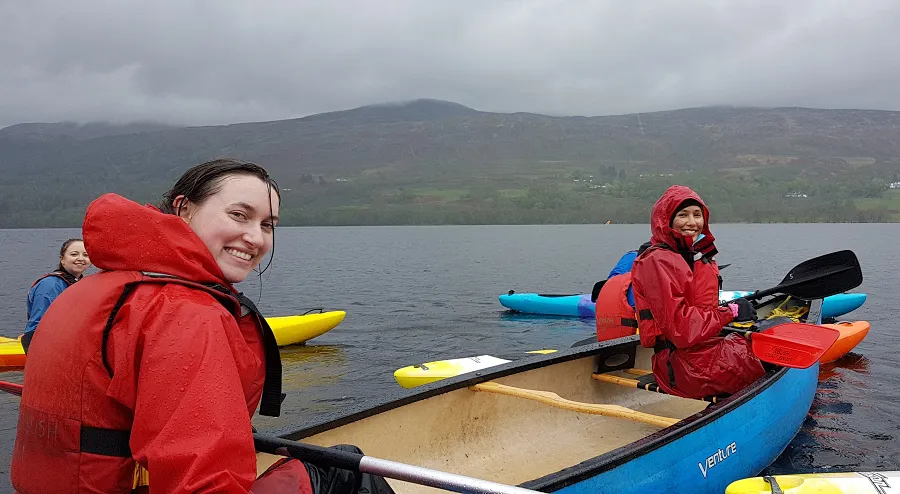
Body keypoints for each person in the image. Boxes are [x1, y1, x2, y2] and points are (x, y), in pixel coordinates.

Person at [12, 159, 392, 494]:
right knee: (343, 469)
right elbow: (201, 481)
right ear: (184, 208)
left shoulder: (94, 289)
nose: (256, 238)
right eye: (239, 215)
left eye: (268, 225)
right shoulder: (184, 311)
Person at [629, 185, 765, 400]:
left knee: (765, 341)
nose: (692, 223)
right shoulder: (658, 261)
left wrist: (728, 310)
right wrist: (730, 312)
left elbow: (698, 310)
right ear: (666, 220)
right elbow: (683, 330)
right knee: (771, 358)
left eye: (697, 215)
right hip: (683, 369)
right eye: (683, 215)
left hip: (702, 355)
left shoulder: (690, 256)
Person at [23, 238, 91, 353]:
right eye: (74, 254)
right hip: (42, 342)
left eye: (85, 255)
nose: (80, 258)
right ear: (62, 259)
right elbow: (40, 325)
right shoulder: (50, 285)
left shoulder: (81, 284)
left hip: (67, 341)